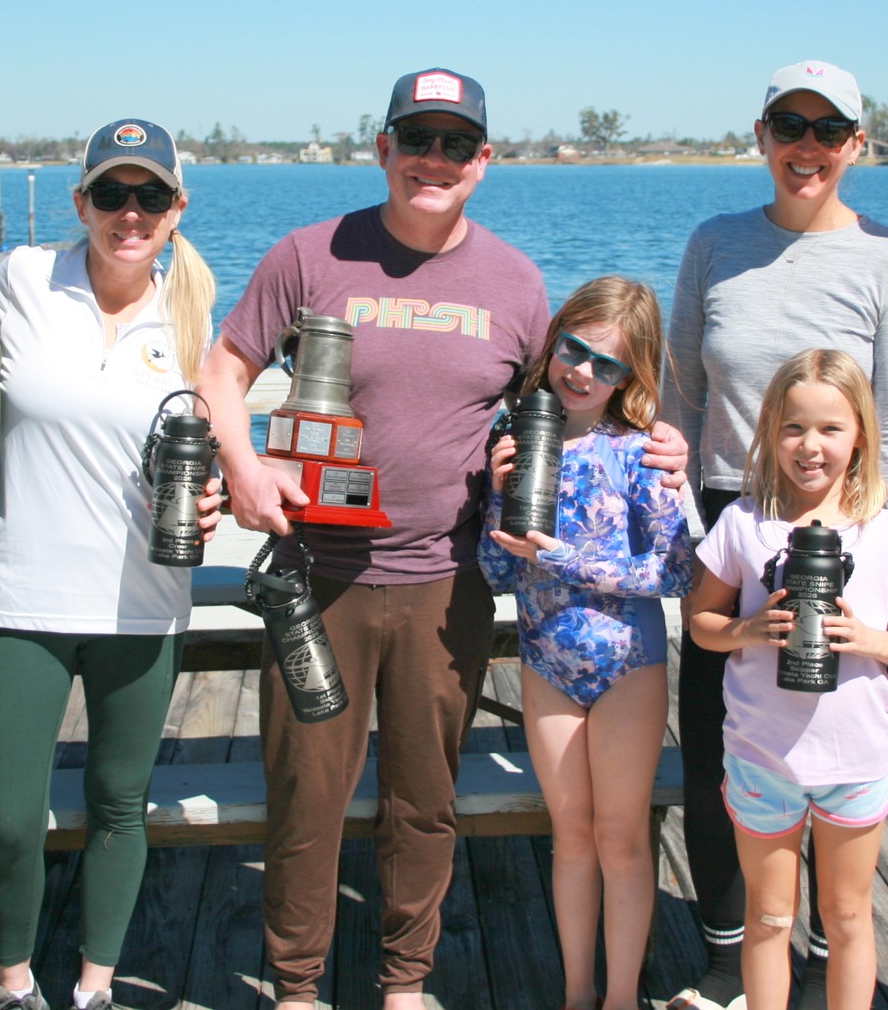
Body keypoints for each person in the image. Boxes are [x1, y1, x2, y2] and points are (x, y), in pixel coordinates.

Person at [200, 68, 686, 1009]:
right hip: (318, 578)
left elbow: (568, 401)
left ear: (484, 160)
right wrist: (244, 466)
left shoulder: (515, 282)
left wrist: (659, 438)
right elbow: (224, 366)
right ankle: (295, 986)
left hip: (446, 581)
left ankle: (405, 982)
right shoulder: (309, 253)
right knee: (307, 797)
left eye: (455, 143)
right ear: (382, 147)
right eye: (416, 138)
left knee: (424, 803)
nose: (434, 158)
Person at [663, 60, 888, 1010]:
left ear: (856, 143)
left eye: (828, 130)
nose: (806, 146)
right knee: (723, 748)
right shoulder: (715, 243)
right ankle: (728, 959)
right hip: (732, 514)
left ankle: (822, 961)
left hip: (846, 525)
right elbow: (680, 398)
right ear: (762, 134)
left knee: (832, 730)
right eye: (789, 125)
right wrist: (679, 529)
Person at [0, 119, 224, 1010]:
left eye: (150, 194)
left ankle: (94, 987)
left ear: (177, 207)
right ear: (79, 202)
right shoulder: (18, 279)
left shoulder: (193, 316)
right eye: (112, 193)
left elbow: (214, 439)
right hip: (20, 597)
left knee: (120, 803)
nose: (131, 212)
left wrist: (215, 495)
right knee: (11, 815)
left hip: (141, 602)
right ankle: (13, 984)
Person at [689, 349, 888, 1010]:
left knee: (847, 916)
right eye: (793, 427)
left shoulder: (884, 531)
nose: (810, 445)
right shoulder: (743, 522)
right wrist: (746, 629)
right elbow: (702, 622)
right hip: (762, 756)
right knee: (769, 916)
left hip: (855, 761)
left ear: (861, 436)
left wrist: (869, 639)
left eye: (830, 428)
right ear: (770, 430)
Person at [481, 276, 696, 1010]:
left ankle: (622, 996)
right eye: (575, 350)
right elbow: (495, 570)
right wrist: (495, 497)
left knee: (621, 836)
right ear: (554, 339)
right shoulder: (514, 439)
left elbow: (675, 571)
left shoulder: (639, 453)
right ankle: (577, 993)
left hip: (628, 665)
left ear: (629, 376)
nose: (582, 372)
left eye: (607, 364)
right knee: (570, 834)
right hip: (546, 661)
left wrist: (567, 559)